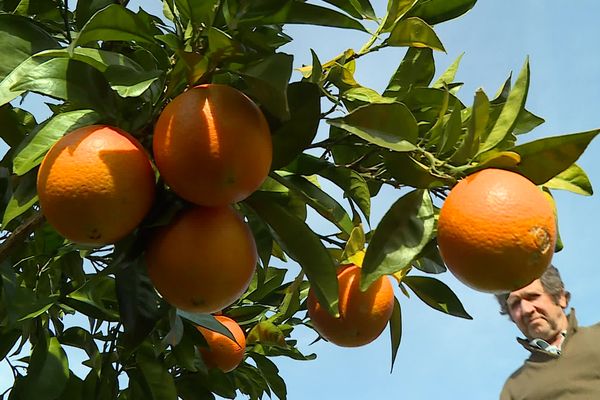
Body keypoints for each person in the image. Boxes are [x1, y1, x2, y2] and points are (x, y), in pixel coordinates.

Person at [496, 265, 600, 400]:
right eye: (515, 304)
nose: (526, 309)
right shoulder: (514, 388)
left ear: (561, 297)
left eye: (532, 296)